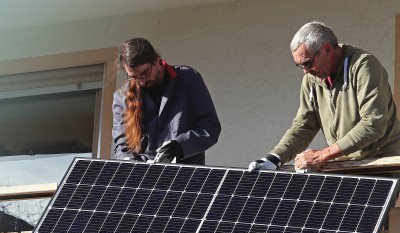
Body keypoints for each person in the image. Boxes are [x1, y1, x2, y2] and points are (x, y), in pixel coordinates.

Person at [249, 21, 400, 172]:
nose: (305, 72)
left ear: (326, 49)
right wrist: (274, 159)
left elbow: (373, 124)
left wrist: (322, 155)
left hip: (379, 163)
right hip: (343, 163)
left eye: (307, 63)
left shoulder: (364, 66)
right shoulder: (311, 79)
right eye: (299, 66)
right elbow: (304, 125)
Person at [112, 37, 221, 165]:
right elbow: (122, 145)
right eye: (134, 77)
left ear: (157, 60)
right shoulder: (122, 97)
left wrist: (180, 146)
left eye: (145, 73)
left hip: (186, 177)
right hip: (143, 179)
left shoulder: (188, 78)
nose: (141, 81)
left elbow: (210, 127)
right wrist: (128, 162)